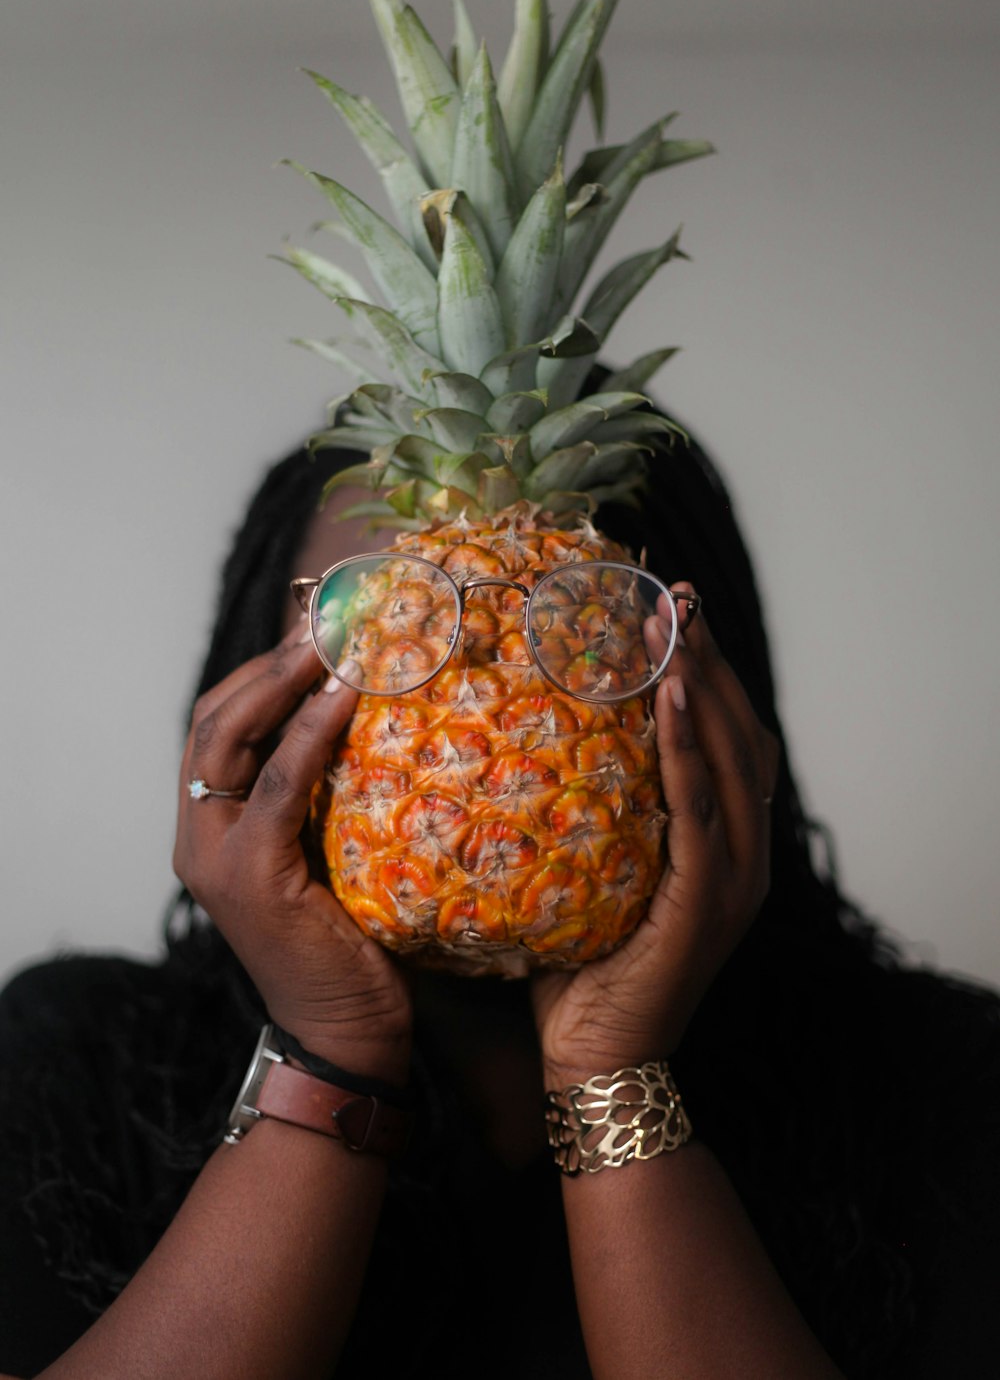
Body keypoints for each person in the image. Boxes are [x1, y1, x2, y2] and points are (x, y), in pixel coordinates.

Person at [1, 417, 998, 1379]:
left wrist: (609, 1074)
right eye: (386, 620)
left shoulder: (949, 1080)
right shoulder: (71, 1062)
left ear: (701, 670)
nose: (468, 697)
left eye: (576, 618)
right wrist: (329, 1052)